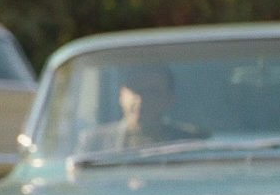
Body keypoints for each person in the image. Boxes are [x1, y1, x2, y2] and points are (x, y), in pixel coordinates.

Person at [75, 65, 208, 154]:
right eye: (135, 90)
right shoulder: (93, 143)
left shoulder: (190, 142)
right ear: (121, 96)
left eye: (152, 92)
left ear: (169, 99)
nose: (141, 100)